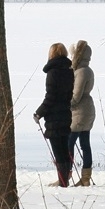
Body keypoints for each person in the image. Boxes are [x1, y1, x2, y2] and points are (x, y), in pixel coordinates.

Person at [34, 43, 74, 187]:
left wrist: (39, 113)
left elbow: (50, 97)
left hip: (54, 117)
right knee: (64, 149)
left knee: (58, 150)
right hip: (66, 113)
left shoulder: (53, 73)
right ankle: (64, 179)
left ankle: (63, 181)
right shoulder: (69, 72)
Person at [68, 40, 96, 187]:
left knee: (69, 142)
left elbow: (76, 95)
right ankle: (86, 177)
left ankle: (66, 173)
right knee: (85, 144)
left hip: (79, 112)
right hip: (87, 111)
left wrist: (66, 105)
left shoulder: (81, 72)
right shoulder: (86, 70)